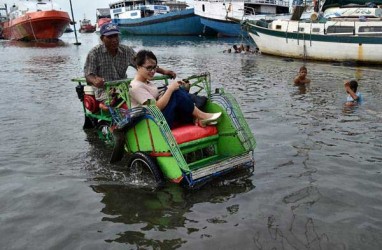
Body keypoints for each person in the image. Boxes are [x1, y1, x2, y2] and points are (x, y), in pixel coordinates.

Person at [84, 23, 176, 103]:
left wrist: (164, 71)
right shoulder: (94, 53)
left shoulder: (126, 51)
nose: (114, 39)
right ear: (102, 38)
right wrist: (95, 80)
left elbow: (144, 63)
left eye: (116, 36)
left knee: (153, 92)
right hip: (105, 91)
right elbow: (88, 75)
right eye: (110, 37)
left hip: (124, 87)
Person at [129, 50, 221, 129]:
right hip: (151, 123)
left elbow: (155, 99)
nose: (153, 71)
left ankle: (197, 118)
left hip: (158, 117)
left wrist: (169, 90)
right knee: (175, 92)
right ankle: (202, 116)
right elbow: (156, 108)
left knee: (178, 90)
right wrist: (170, 89)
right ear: (138, 67)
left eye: (154, 68)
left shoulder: (147, 82)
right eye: (149, 68)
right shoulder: (136, 86)